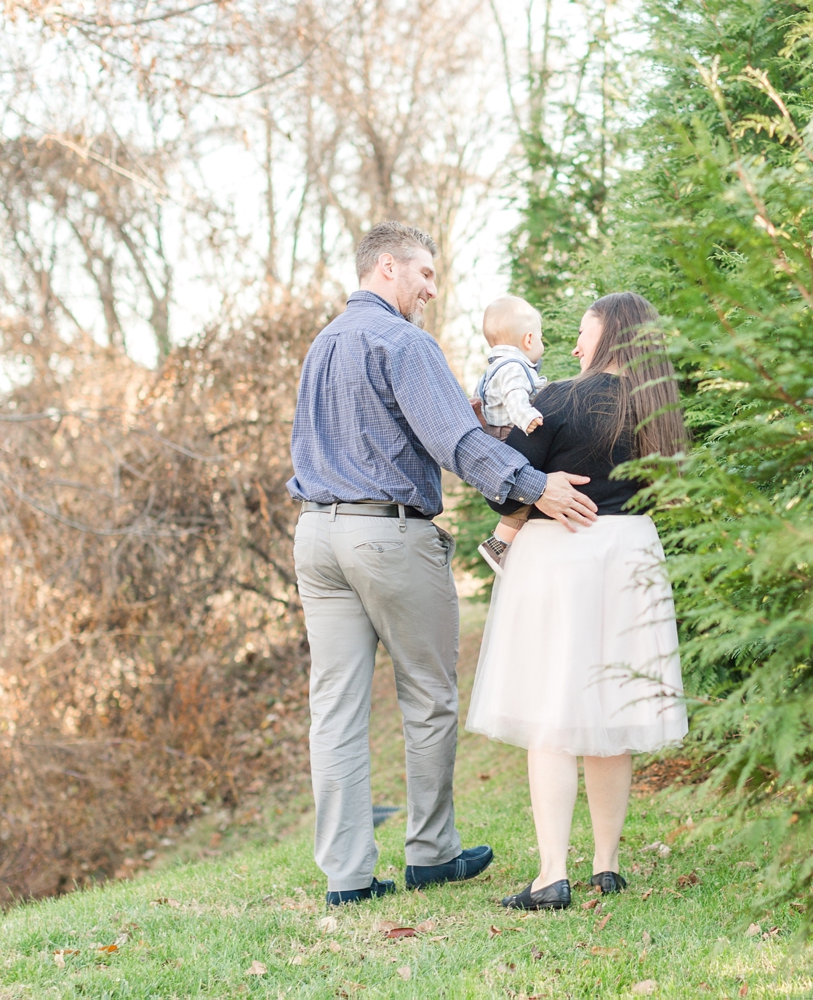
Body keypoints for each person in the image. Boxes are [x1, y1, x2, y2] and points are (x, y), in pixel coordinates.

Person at [287, 222, 599, 907]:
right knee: (428, 695)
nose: (433, 287)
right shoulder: (402, 341)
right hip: (387, 536)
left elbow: (420, 427)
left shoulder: (323, 345)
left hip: (315, 536)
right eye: (425, 273)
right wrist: (532, 485)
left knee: (334, 708)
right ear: (389, 267)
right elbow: (455, 441)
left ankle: (348, 876)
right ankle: (431, 853)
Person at [465, 291, 690, 910]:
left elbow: (508, 490)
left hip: (561, 554)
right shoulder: (660, 408)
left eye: (584, 333)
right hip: (632, 554)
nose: (573, 347)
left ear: (610, 335)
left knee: (551, 714)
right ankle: (607, 866)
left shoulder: (554, 399)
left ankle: (551, 875)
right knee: (610, 713)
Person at [471, 295, 548, 573]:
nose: (542, 344)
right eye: (541, 338)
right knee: (540, 481)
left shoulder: (494, 368)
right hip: (509, 438)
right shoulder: (514, 368)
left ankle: (502, 543)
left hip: (495, 436)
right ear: (528, 340)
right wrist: (528, 417)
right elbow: (515, 398)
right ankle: (499, 543)